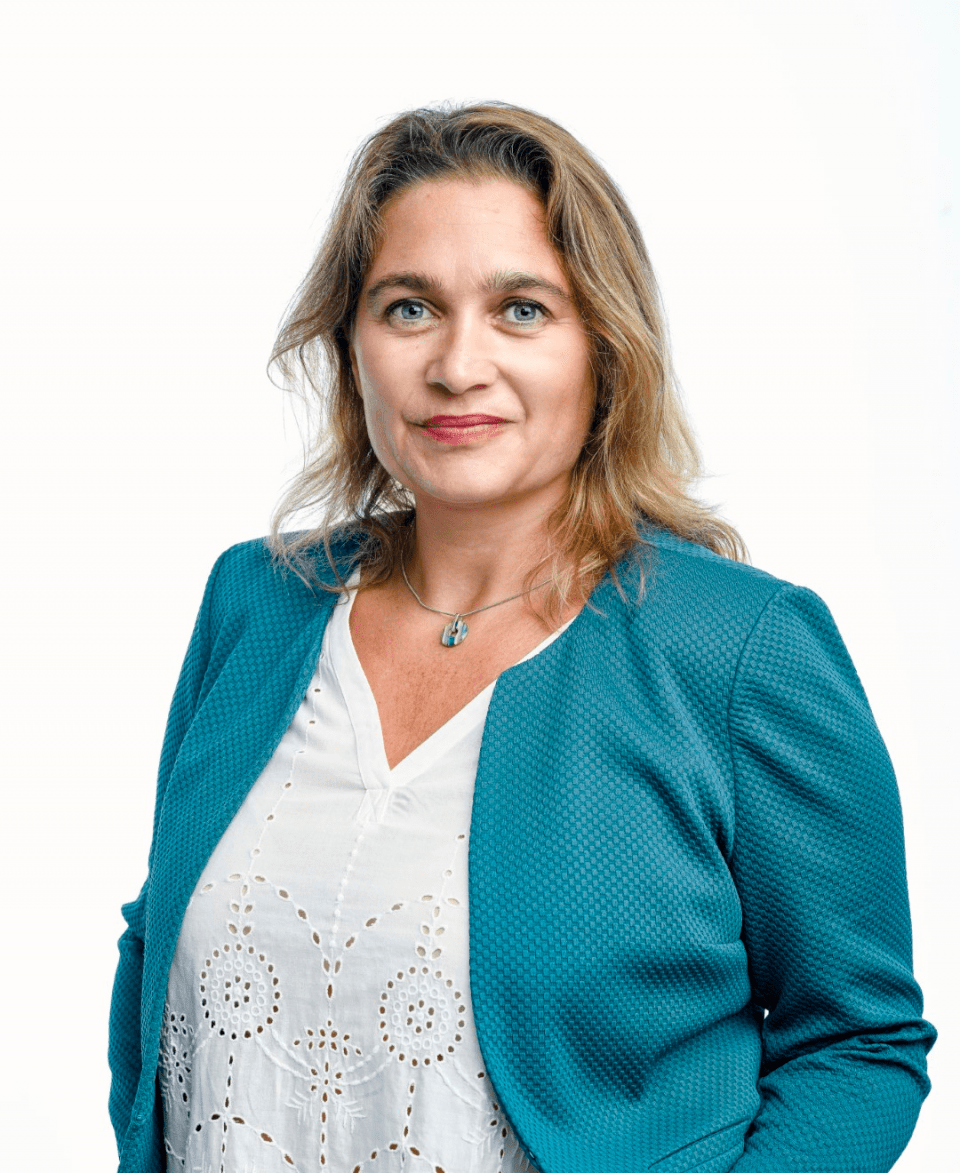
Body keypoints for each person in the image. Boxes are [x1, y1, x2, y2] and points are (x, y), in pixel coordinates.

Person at [108, 101, 936, 1173]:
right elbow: (155, 959)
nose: (459, 365)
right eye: (410, 308)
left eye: (522, 309)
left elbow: (859, 1042)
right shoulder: (256, 603)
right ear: (352, 344)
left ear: (604, 347)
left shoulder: (741, 649)